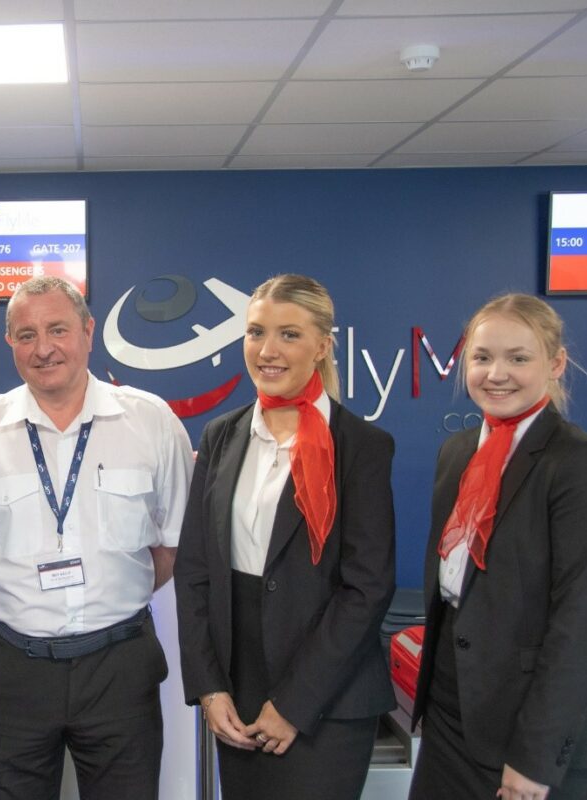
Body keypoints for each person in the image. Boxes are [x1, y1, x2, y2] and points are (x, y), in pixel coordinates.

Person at [0, 276, 193, 800]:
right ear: (10, 343)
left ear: (89, 332)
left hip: (119, 666)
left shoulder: (151, 422)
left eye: (58, 330)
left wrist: (119, 585)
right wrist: (18, 587)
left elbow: (175, 541)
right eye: (26, 335)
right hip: (13, 672)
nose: (43, 348)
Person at [174, 273, 396, 798]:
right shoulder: (221, 434)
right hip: (236, 697)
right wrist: (209, 688)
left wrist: (295, 703)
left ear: (322, 345)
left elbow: (366, 588)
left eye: (289, 335)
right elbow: (195, 570)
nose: (267, 351)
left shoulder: (361, 446)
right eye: (255, 333)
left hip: (326, 701)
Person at [409, 293, 587, 800]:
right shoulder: (458, 452)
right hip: (452, 716)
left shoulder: (581, 465)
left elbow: (582, 624)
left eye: (518, 358)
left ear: (555, 364)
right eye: (482, 358)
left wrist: (534, 759)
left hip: (532, 732)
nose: (496, 373)